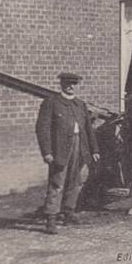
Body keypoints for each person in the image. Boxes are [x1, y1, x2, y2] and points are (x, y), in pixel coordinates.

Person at [35, 72, 100, 235]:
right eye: (68, 84)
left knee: (75, 180)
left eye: (74, 84)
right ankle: (51, 217)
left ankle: (68, 211)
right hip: (60, 149)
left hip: (80, 146)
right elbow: (42, 129)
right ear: (61, 84)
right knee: (57, 182)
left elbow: (88, 129)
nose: (71, 87)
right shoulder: (51, 102)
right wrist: (47, 152)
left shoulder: (80, 104)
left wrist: (94, 149)